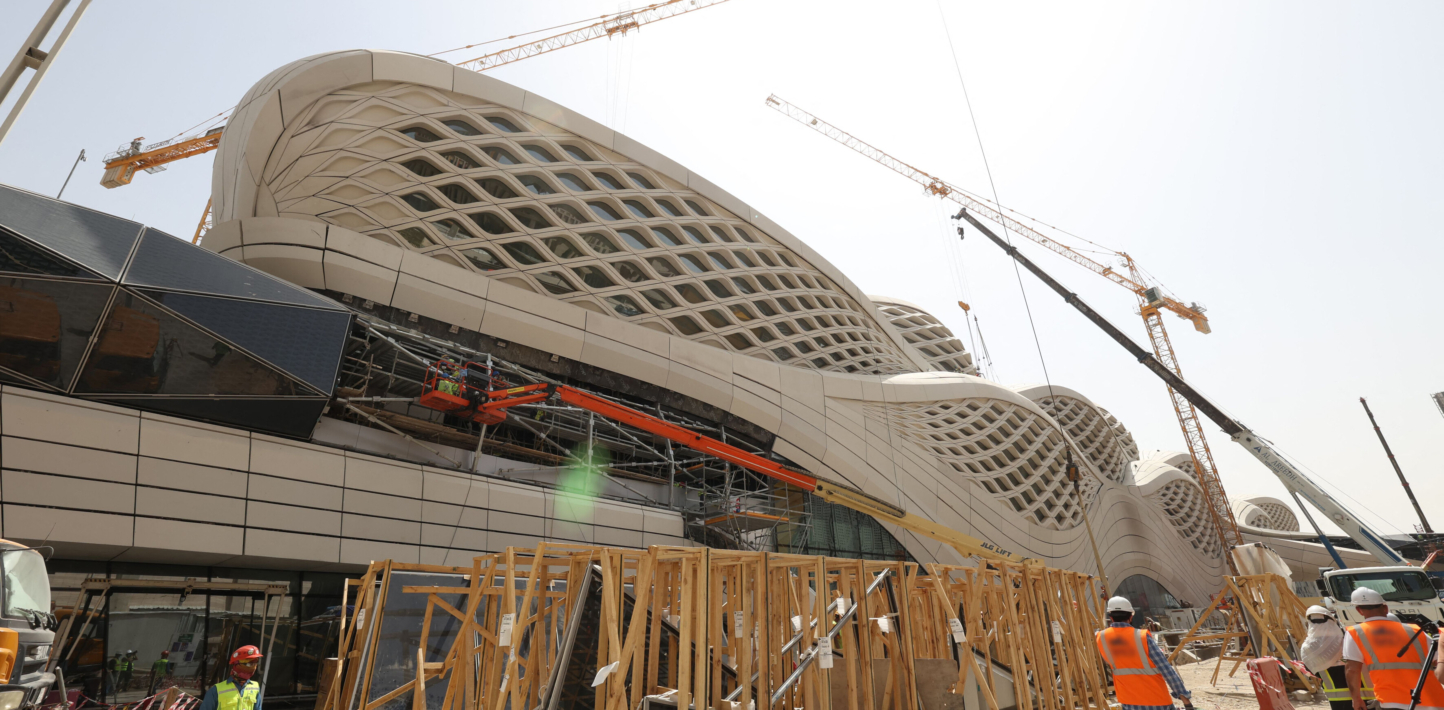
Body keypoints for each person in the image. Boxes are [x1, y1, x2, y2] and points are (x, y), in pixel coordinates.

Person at [1343, 586, 1444, 710]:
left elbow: (1352, 669)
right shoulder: (1415, 630)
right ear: (1385, 608)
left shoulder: (1355, 633)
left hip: (1392, 700)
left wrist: (1356, 698)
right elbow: (1439, 660)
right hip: (1432, 699)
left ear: (1359, 610)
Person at [1095, 596, 1195, 710]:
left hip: (1128, 702)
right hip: (1156, 701)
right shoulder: (1141, 636)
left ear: (1111, 617)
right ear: (1131, 616)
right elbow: (1166, 669)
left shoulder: (1101, 637)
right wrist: (1185, 699)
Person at [1302, 604, 1374, 710]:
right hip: (1365, 695)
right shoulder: (1349, 640)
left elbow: (1311, 671)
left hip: (1337, 699)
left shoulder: (1307, 648)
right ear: (1333, 622)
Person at [198, 645, 263, 710]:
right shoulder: (216, 690)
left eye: (255, 664)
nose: (253, 667)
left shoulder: (255, 687)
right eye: (249, 664)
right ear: (236, 665)